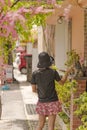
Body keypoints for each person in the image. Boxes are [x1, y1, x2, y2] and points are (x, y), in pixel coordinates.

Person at [31, 52, 73, 130]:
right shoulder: (53, 72)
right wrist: (67, 72)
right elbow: (62, 83)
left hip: (42, 102)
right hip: (53, 102)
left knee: (40, 125)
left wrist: (41, 92)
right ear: (48, 62)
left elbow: (33, 90)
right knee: (51, 127)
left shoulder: (35, 74)